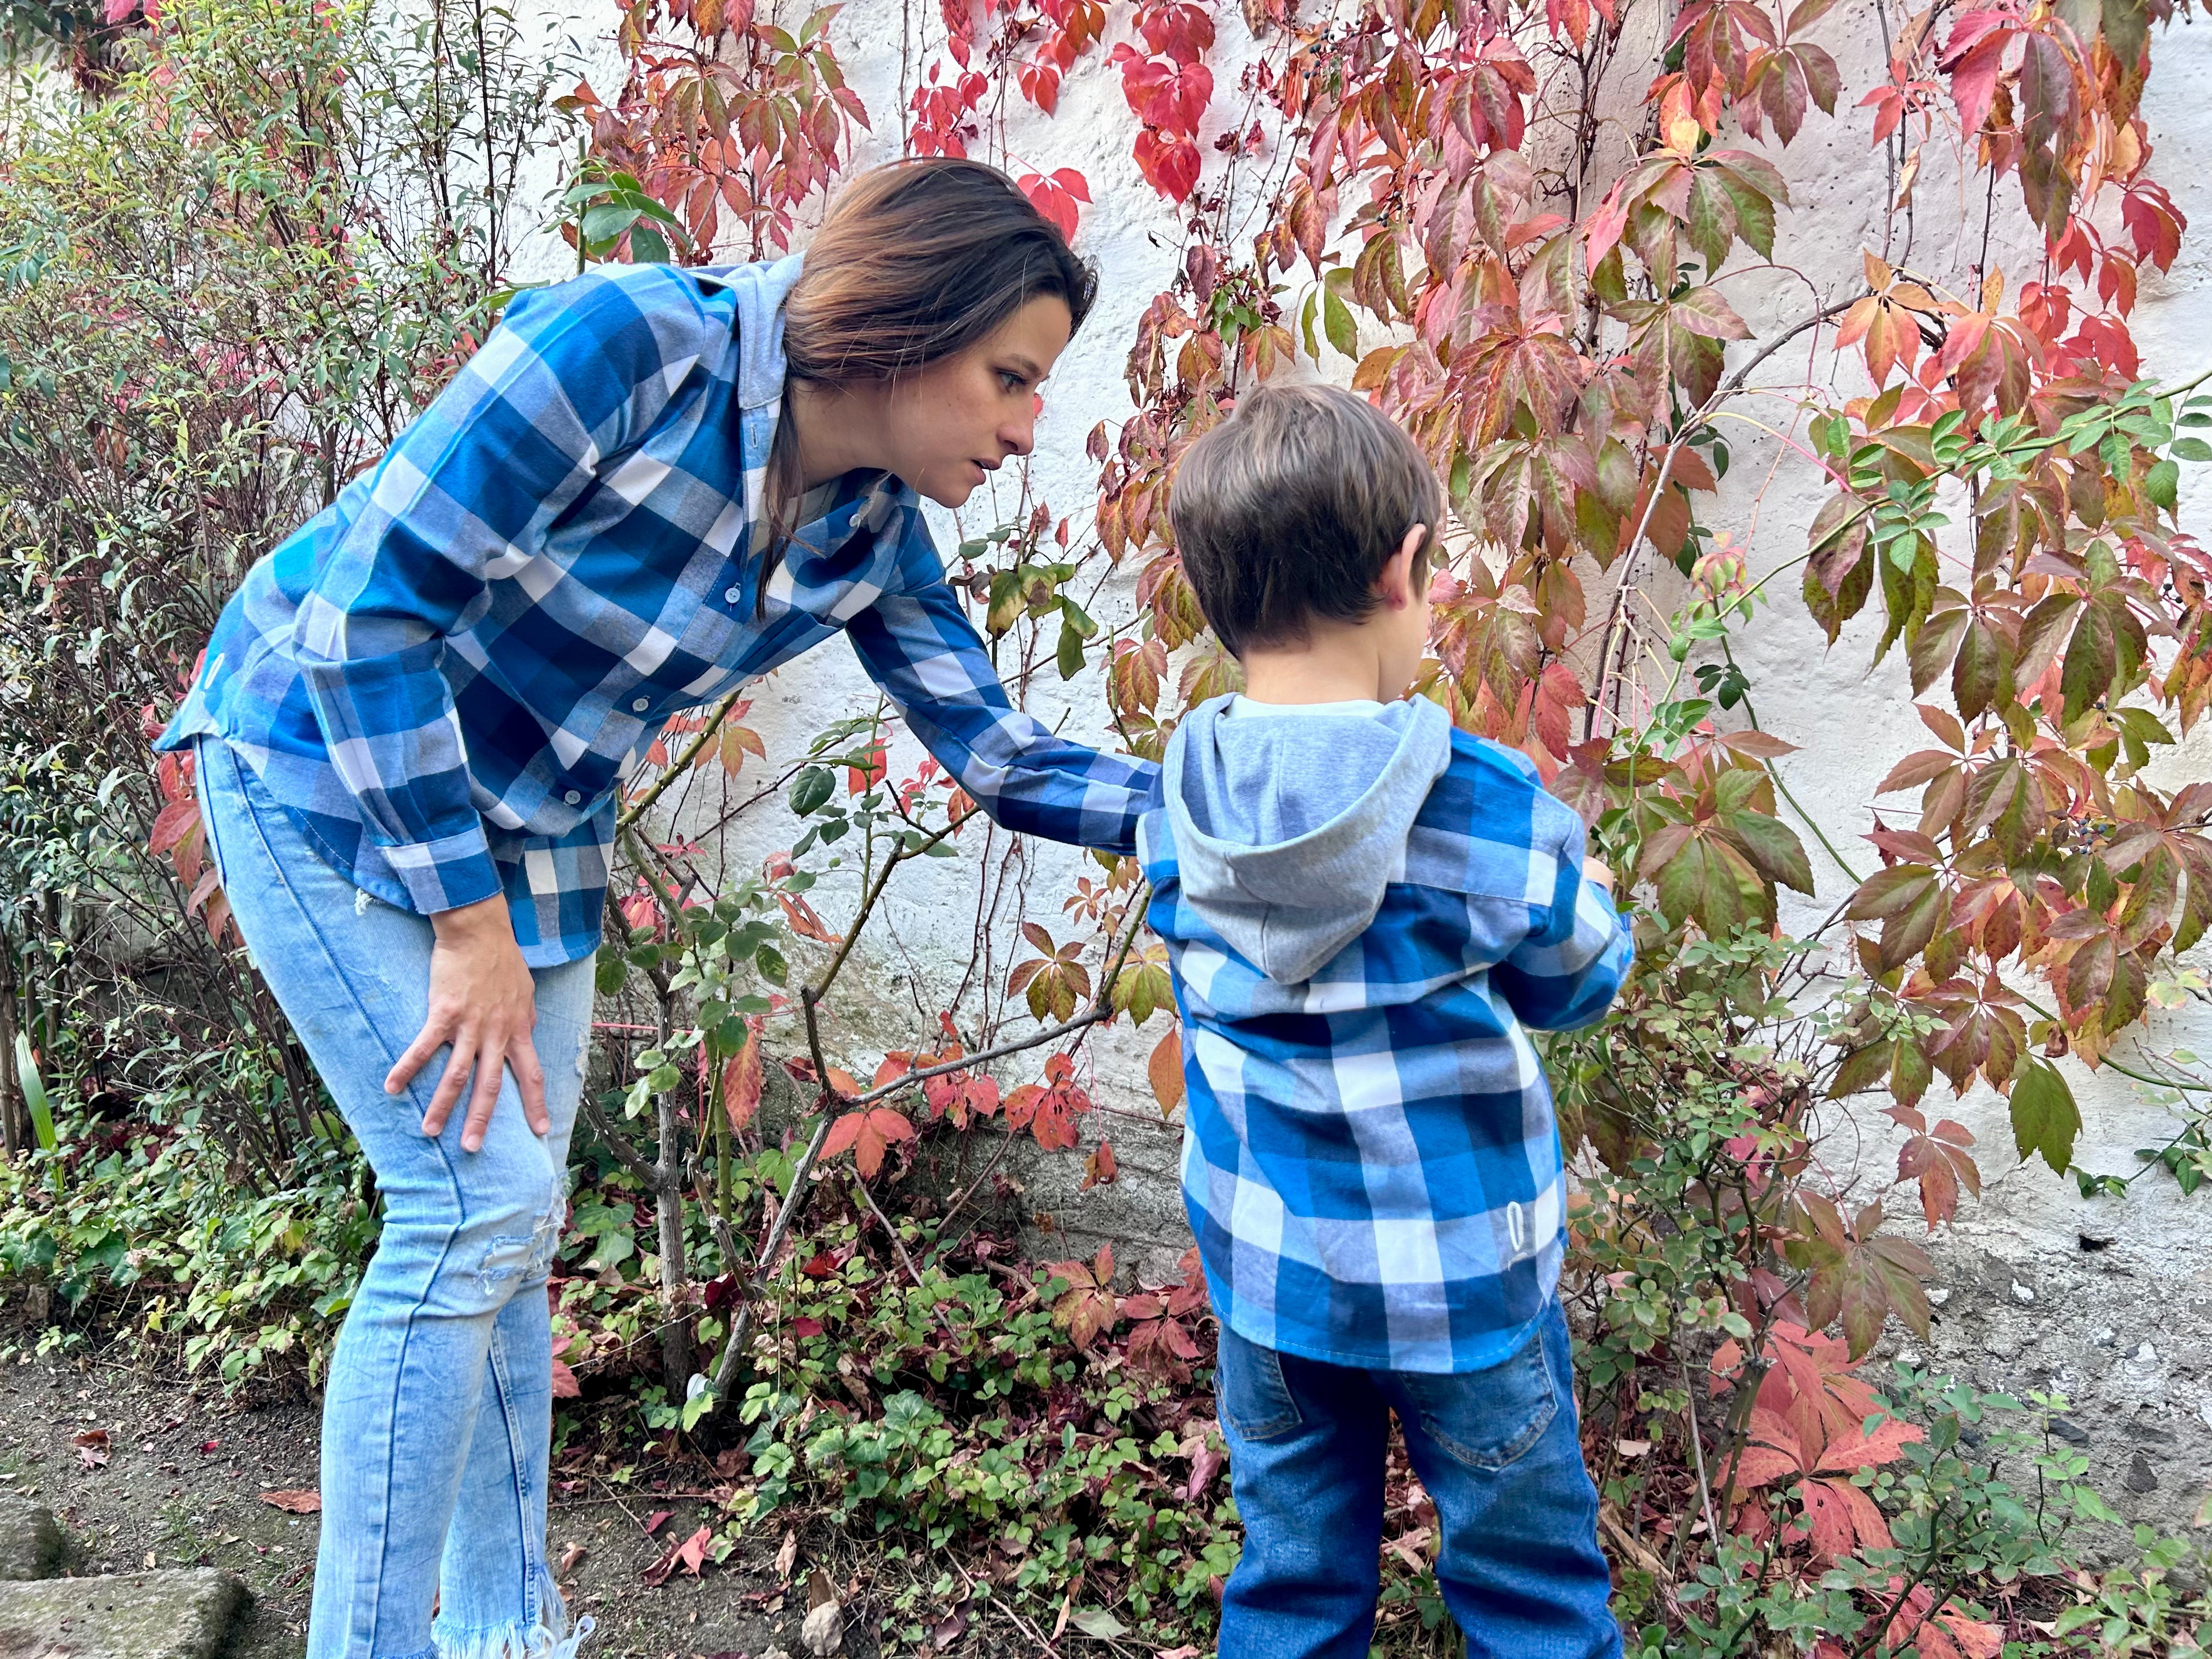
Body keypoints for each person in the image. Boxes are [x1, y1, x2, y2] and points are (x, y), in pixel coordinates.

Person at [154, 158, 1157, 1659]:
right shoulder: (625, 345)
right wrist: (466, 926)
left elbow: (1005, 758)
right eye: (1010, 379)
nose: (1027, 431)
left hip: (529, 827)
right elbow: (369, 616)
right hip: (318, 756)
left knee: (509, 1227)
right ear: (903, 325)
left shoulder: (869, 531)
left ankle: (507, 1631)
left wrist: (1267, 803)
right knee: (470, 1206)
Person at [1139, 382, 1634, 1659]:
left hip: (1273, 1288)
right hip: (1464, 1286)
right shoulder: (1479, 804)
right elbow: (1584, 977)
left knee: (1294, 1582)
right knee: (1529, 1589)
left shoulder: (1177, 804)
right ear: (1404, 566)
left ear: (1214, 593)